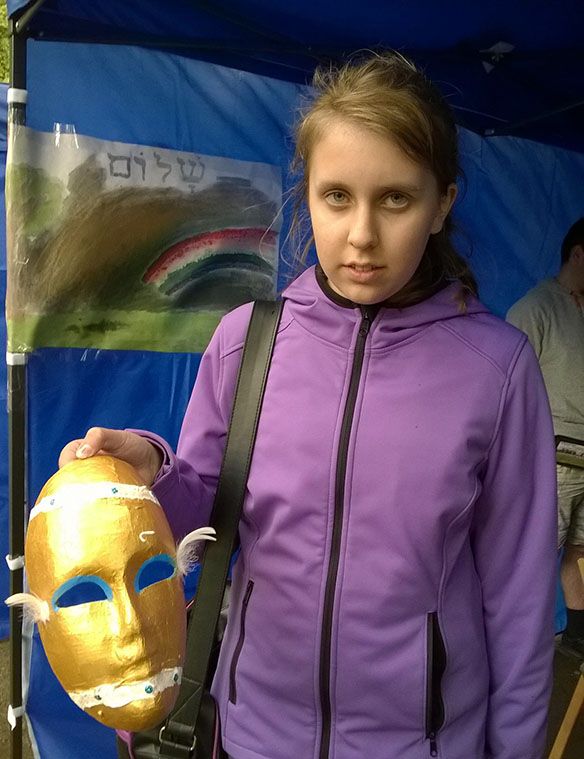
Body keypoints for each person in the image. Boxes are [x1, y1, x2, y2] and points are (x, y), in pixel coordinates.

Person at [60, 53, 557, 759]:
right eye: (337, 197)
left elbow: (519, 598)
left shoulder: (498, 369)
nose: (362, 234)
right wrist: (151, 474)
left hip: (425, 743)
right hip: (255, 734)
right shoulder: (246, 341)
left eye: (396, 199)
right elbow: (200, 520)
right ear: (309, 194)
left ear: (443, 203)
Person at [507, 217, 584, 660]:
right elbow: (509, 386)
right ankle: (517, 643)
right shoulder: (534, 309)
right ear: (578, 254)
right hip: (553, 461)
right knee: (535, 556)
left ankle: (577, 636)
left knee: (581, 550)